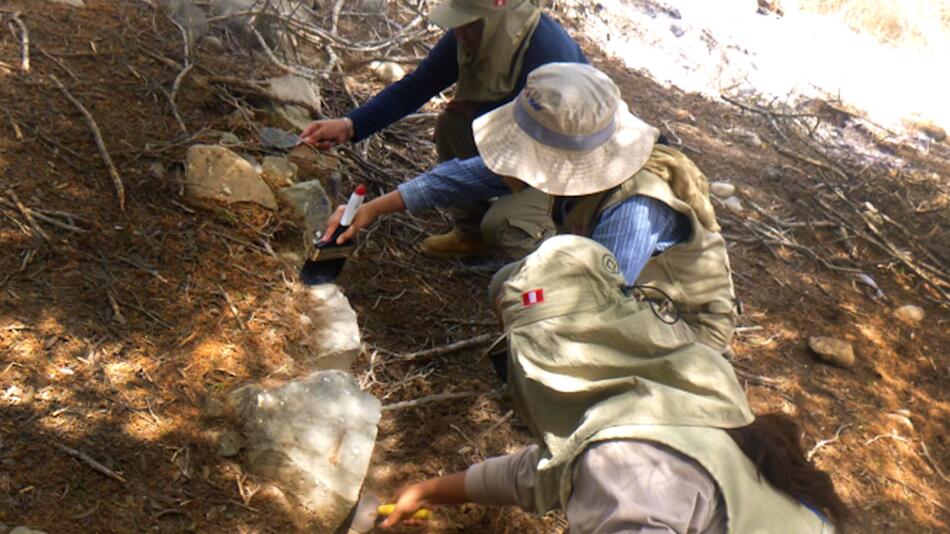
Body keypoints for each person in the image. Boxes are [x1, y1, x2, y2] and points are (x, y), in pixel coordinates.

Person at [378, 235, 849, 533]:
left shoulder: (623, 465)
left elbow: (613, 469)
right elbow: (547, 470)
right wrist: (428, 491)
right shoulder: (691, 387)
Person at [323, 62, 736, 352]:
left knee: (533, 305)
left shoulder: (637, 204)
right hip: (619, 289)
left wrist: (541, 326)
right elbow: (465, 176)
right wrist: (373, 209)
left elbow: (602, 302)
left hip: (680, 321)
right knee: (512, 288)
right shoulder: (580, 156)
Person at [300, 0, 587, 259]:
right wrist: (351, 125)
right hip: (516, 152)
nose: (459, 33)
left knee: (503, 224)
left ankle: (550, 260)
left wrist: (376, 207)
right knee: (454, 124)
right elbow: (417, 86)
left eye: (468, 24)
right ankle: (471, 235)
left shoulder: (549, 51)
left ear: (495, 15)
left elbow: (494, 166)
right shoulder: (469, 36)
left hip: (565, 169)